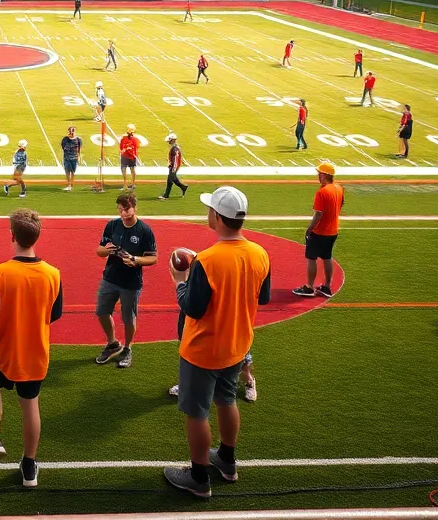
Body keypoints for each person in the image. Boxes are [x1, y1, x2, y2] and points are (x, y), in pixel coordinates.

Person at [164, 186, 271, 498]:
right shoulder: (260, 253)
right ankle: (226, 459)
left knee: (197, 413)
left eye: (210, 209)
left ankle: (198, 478)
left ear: (218, 217)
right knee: (227, 401)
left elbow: (193, 307)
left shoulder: (207, 260)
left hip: (203, 350)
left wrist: (179, 283)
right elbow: (263, 297)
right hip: (237, 345)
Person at [0, 208, 63, 489]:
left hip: (3, 349)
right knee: (30, 404)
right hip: (35, 351)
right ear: (37, 237)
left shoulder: (0, 273)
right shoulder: (53, 274)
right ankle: (29, 466)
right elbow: (55, 313)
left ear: (12, 236)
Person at [95, 193, 157, 369]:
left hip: (131, 283)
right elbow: (99, 251)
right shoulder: (112, 225)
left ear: (135, 208)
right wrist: (109, 250)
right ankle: (112, 343)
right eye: (120, 210)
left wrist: (135, 260)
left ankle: (128, 348)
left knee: (128, 318)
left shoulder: (145, 231)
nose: (123, 213)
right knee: (102, 312)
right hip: (110, 277)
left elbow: (153, 258)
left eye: (127, 209)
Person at [293, 162, 343, 298]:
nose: (318, 176)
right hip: (333, 230)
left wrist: (310, 229)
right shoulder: (339, 188)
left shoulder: (322, 192)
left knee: (311, 257)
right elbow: (340, 204)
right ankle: (327, 286)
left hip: (320, 231)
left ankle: (309, 287)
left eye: (320, 173)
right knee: (327, 256)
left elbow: (318, 214)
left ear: (324, 175)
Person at [160, 133, 188, 199]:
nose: (168, 142)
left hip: (174, 166)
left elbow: (175, 159)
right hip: (173, 165)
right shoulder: (175, 147)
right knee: (174, 179)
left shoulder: (174, 149)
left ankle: (166, 195)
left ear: (172, 140)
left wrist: (173, 168)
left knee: (170, 180)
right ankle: (183, 187)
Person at [60, 126, 82, 192]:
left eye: (73, 131)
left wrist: (79, 157)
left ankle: (71, 185)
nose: (71, 132)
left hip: (74, 158)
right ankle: (69, 185)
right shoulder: (65, 139)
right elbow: (63, 148)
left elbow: (79, 150)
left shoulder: (78, 139)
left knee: (72, 172)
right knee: (67, 172)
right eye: (70, 131)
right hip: (66, 158)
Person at [119, 124, 139, 191]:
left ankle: (126, 184)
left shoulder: (124, 138)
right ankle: (132, 184)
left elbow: (121, 147)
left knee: (124, 169)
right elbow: (137, 148)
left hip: (126, 156)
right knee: (132, 170)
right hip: (131, 156)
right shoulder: (135, 139)